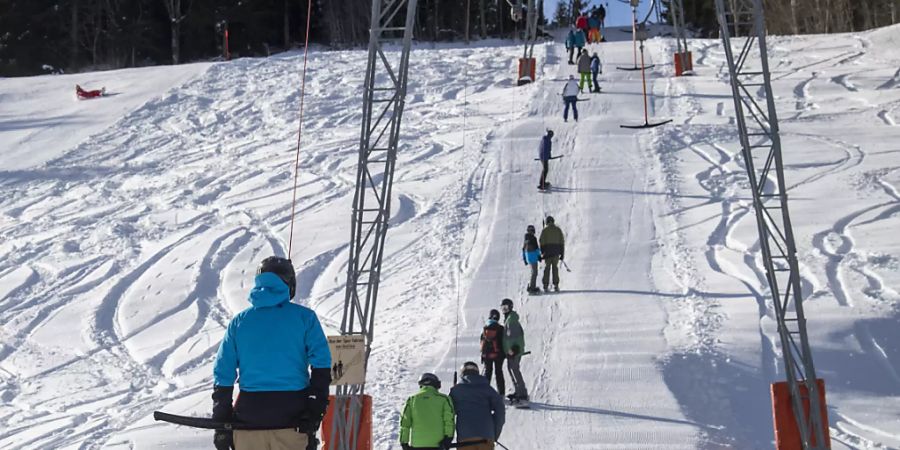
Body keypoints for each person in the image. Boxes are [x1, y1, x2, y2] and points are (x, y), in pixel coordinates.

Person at [212, 256, 332, 450]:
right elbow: (322, 364)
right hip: (293, 420)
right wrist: (315, 407)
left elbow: (223, 372)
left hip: (248, 421)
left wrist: (221, 422)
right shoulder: (305, 318)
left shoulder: (240, 322)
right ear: (290, 283)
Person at [449, 362, 506, 450]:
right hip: (486, 438)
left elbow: (449, 414)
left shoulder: (456, 391)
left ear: (462, 373)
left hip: (464, 438)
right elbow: (500, 411)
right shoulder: (488, 389)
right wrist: (494, 434)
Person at [400, 373, 456, 450]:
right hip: (438, 445)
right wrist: (448, 439)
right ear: (437, 385)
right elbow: (449, 420)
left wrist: (404, 443)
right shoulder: (444, 399)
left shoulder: (412, 400)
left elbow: (405, 424)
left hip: (417, 445)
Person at [500, 299, 527, 404]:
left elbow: (515, 337)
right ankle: (518, 391)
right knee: (512, 370)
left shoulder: (512, 320)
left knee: (515, 371)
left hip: (514, 352)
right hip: (511, 351)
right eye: (503, 308)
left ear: (510, 307)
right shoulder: (509, 319)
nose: (504, 310)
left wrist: (514, 349)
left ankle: (522, 394)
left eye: (506, 308)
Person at [480, 309, 505, 394]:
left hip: (487, 355)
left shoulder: (485, 328)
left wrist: (483, 355)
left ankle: (484, 392)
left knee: (487, 373)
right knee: (499, 373)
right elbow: (503, 342)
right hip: (498, 355)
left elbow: (482, 341)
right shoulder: (501, 328)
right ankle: (501, 393)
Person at [539, 216, 565, 292]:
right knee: (555, 269)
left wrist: (543, 252)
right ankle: (556, 285)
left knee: (547, 269)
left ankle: (545, 286)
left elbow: (541, 242)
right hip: (556, 253)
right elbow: (562, 243)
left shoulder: (544, 231)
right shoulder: (558, 230)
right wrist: (562, 254)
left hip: (547, 253)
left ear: (547, 222)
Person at [523, 225, 541, 292]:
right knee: (534, 272)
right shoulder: (533, 238)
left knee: (533, 272)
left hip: (528, 257)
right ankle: (532, 287)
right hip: (533, 257)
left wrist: (524, 258)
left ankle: (532, 286)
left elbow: (523, 249)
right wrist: (539, 256)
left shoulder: (526, 239)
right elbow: (536, 249)